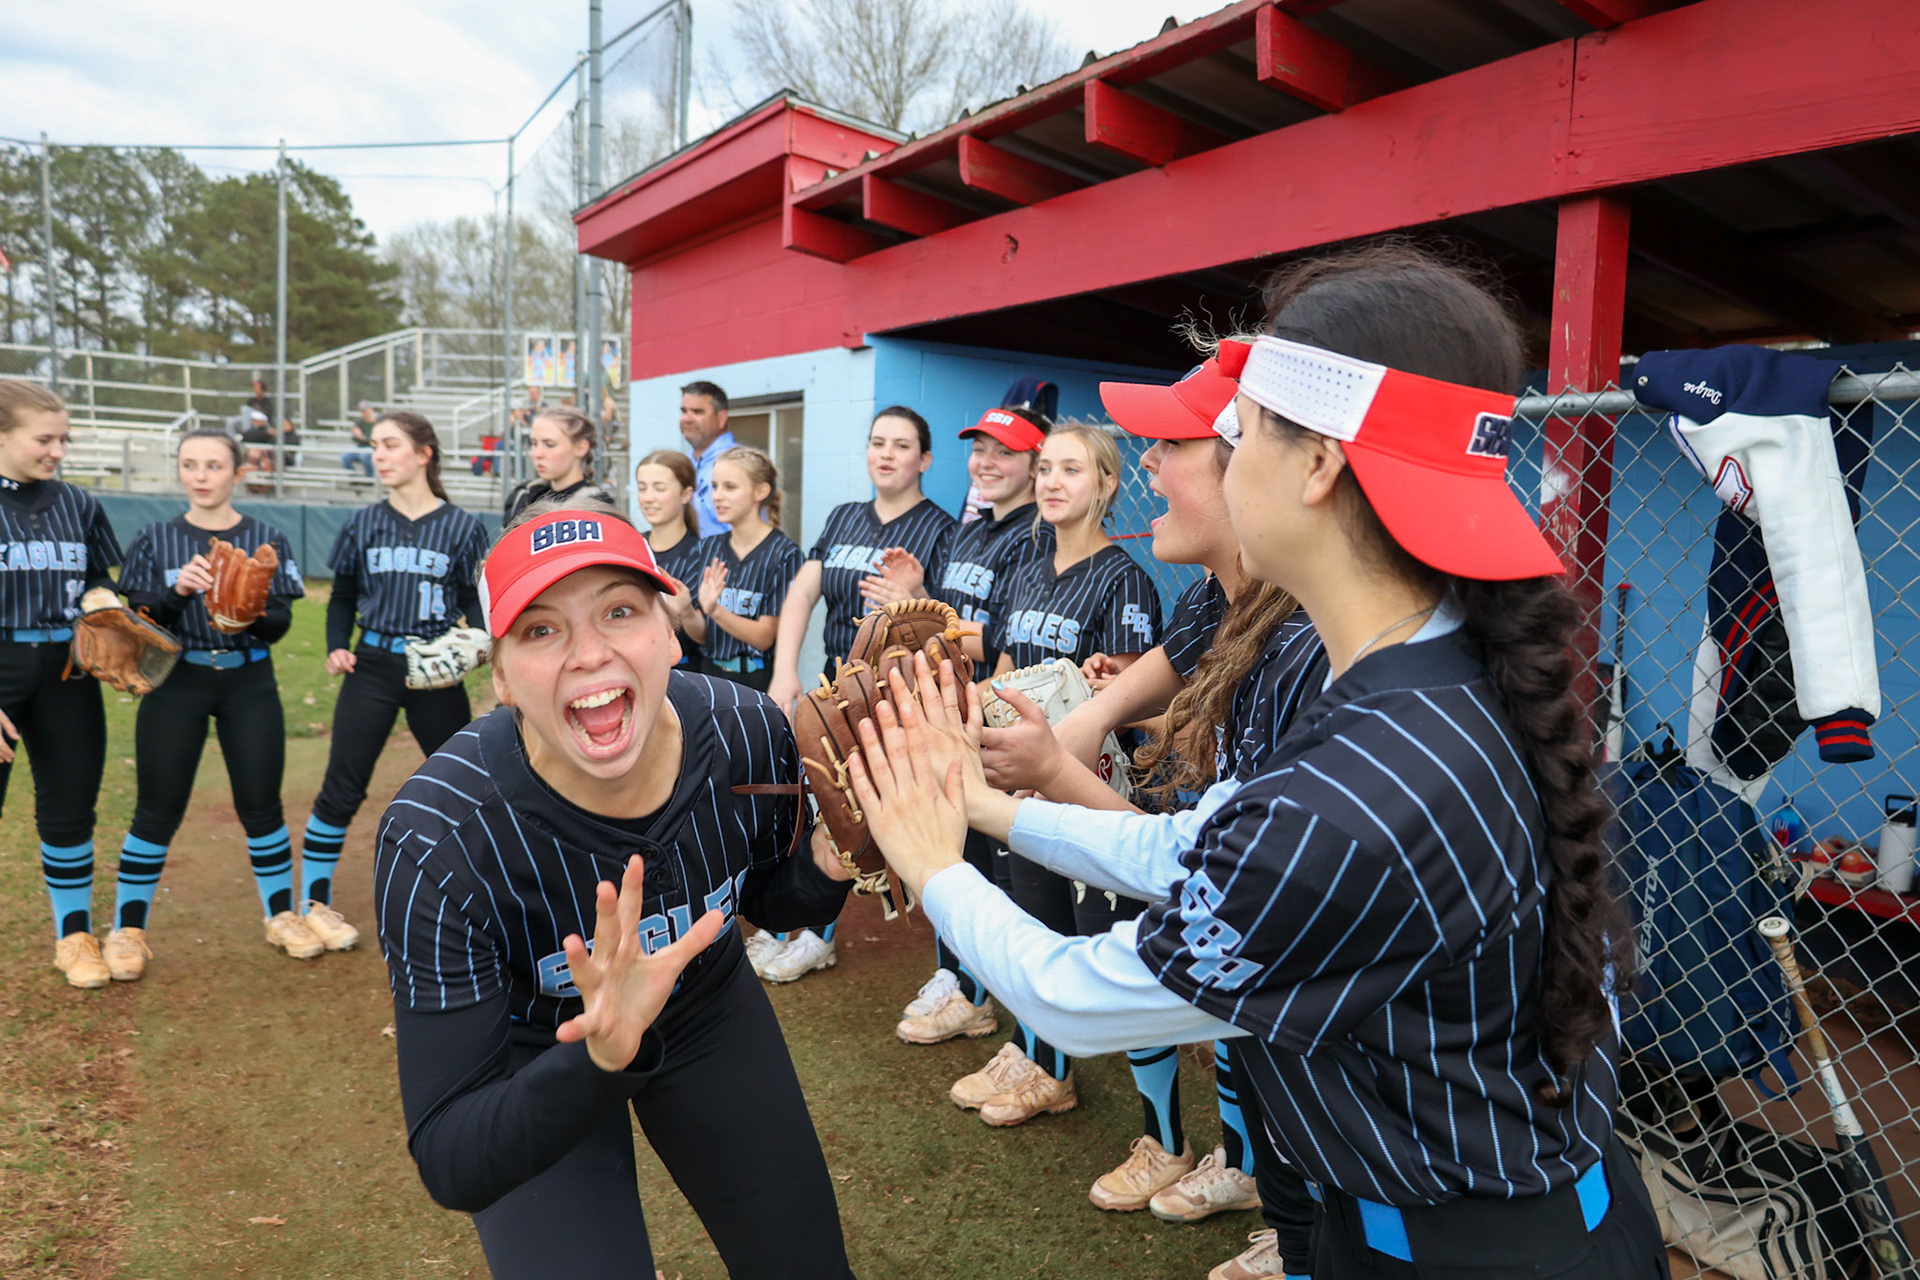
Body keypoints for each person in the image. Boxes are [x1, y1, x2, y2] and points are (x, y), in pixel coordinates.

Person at [851, 247, 1666, 1279]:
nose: (1215, 465)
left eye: (1242, 437)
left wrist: (932, 859)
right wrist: (990, 806)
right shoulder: (1426, 667)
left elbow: (1072, 993)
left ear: (1319, 463)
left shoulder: (1371, 778)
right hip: (1500, 1219)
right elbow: (1197, 842)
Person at [375, 498, 855, 1278]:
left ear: (669, 631)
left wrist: (829, 866)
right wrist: (599, 1055)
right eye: (541, 628)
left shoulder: (748, 732)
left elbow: (768, 903)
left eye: (620, 611)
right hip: (535, 1050)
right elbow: (452, 1158)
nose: (589, 653)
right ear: (498, 676)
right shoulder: (439, 834)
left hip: (705, 1007)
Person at [983, 345, 1327, 1275]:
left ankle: (1278, 1220)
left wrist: (1019, 787)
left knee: (1273, 1076)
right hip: (1245, 917)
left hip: (1353, 1031)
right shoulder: (1217, 603)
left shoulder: (1299, 639)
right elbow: (1115, 720)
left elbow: (1184, 867)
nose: (1148, 464)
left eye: (1170, 444)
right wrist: (1066, 741)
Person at [940, 422, 1163, 1128]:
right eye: (1044, 469)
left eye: (1072, 469)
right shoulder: (1028, 565)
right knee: (1030, 915)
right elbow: (1003, 673)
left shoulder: (1125, 578)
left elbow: (1132, 703)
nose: (1052, 482)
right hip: (1021, 781)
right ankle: (1041, 1059)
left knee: (1090, 933)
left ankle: (1080, 1077)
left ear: (1106, 484)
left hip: (1086, 788)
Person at [759, 405, 956, 983]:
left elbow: (950, 622)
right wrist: (784, 669)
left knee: (857, 815)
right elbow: (804, 590)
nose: (886, 453)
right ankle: (811, 930)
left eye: (901, 445)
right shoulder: (845, 515)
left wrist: (916, 590)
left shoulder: (942, 529)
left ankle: (950, 967)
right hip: (832, 690)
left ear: (923, 459)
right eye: (877, 442)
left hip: (897, 696)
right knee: (816, 803)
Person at [107, 427, 310, 975]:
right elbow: (142, 621)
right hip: (180, 678)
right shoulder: (155, 537)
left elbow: (281, 624)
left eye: (214, 466)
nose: (201, 476)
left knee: (261, 805)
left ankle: (280, 915)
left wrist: (249, 615)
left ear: (237, 473)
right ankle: (127, 929)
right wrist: (180, 592)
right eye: (191, 464)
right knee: (157, 808)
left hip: (248, 680)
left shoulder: (267, 535)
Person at [296, 411, 489, 953]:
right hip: (374, 665)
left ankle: (481, 891)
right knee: (343, 784)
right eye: (374, 446)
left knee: (464, 784)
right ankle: (314, 903)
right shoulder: (364, 522)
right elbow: (341, 595)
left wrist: (478, 641)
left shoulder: (462, 526)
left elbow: (475, 604)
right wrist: (337, 644)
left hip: (434, 669)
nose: (378, 455)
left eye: (390, 445)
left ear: (423, 453)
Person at [895, 405, 1051, 1045]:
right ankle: (962, 986)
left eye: (1003, 453)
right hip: (956, 708)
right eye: (979, 449)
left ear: (1035, 466)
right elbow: (960, 622)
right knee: (958, 853)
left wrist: (920, 608)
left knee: (1001, 869)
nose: (986, 463)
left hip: (998, 713)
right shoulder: (975, 526)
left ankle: (992, 999)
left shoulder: (1035, 535)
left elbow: (997, 639)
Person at [0, 383, 124, 989]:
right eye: (43, 438)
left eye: (63, 438)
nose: (57, 450)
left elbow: (96, 574)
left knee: (70, 809)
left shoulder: (78, 502)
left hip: (68, 671)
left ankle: (74, 938)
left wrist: (103, 600)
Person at [687, 446, 799, 695]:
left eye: (730, 487)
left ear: (760, 491)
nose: (717, 496)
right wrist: (685, 609)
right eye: (714, 487)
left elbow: (764, 637)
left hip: (756, 680)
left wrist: (715, 610)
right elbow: (703, 635)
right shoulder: (708, 547)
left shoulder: (785, 553)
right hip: (709, 674)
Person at [635, 449, 706, 671]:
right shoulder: (632, 547)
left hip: (682, 673)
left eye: (659, 488)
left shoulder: (702, 553)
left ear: (686, 494)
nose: (648, 497)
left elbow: (704, 636)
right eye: (642, 487)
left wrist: (685, 611)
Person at [503, 407, 611, 523]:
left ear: (580, 448)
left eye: (550, 445)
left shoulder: (597, 507)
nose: (537, 453)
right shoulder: (523, 496)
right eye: (534, 443)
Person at [680, 380, 737, 537]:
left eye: (697, 412)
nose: (687, 418)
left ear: (722, 418)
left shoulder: (738, 463)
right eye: (684, 411)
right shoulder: (683, 464)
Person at [341, 400, 377, 477]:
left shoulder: (377, 423)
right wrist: (356, 435)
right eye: (362, 412)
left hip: (373, 449)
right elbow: (355, 439)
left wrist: (362, 437)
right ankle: (353, 477)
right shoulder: (359, 422)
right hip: (360, 448)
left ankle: (370, 477)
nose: (364, 414)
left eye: (366, 411)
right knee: (345, 457)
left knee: (365, 456)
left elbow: (374, 441)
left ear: (371, 410)